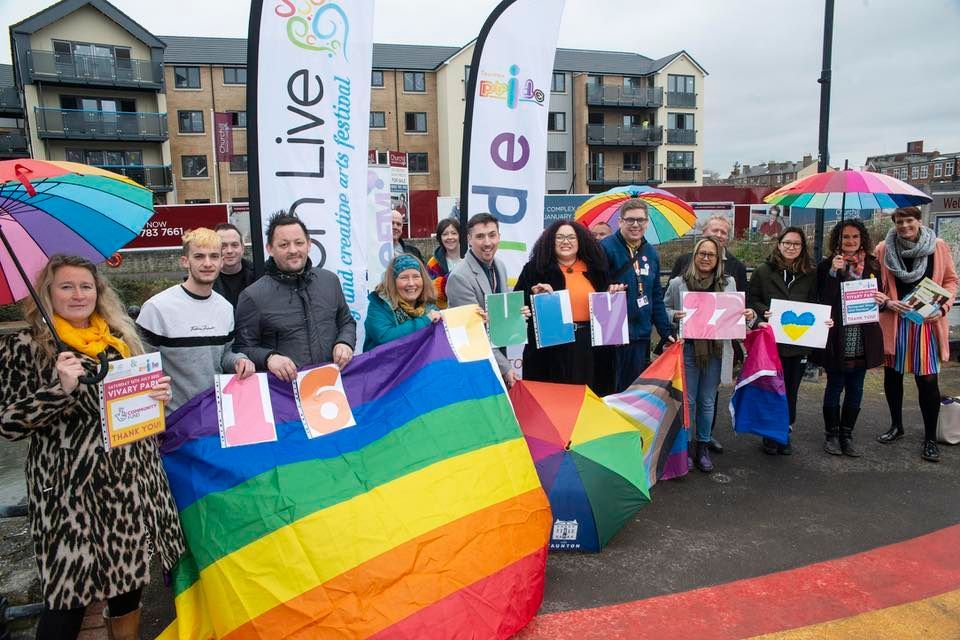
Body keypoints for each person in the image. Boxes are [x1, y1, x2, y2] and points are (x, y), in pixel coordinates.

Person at [0, 255, 184, 640]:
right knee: (68, 596)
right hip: (70, 495)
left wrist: (156, 395)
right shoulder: (26, 345)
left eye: (86, 286)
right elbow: (10, 423)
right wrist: (59, 389)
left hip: (128, 485)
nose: (78, 294)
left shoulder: (117, 339)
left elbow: (129, 405)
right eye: (66, 286)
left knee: (128, 588)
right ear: (48, 293)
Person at [137, 228, 255, 412]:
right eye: (199, 256)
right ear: (185, 261)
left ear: (221, 261)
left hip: (214, 416)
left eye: (214, 256)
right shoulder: (156, 308)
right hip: (172, 420)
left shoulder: (225, 308)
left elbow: (224, 355)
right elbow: (139, 366)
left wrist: (239, 360)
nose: (207, 263)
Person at [874, 206, 958, 462]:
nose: (904, 226)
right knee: (892, 376)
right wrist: (886, 301)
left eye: (909, 220)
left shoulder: (938, 246)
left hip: (926, 324)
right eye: (899, 221)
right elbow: (876, 286)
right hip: (895, 323)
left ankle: (930, 438)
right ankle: (896, 426)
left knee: (927, 381)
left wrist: (942, 308)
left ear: (919, 221)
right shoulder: (883, 249)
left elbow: (951, 281)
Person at [665, 237, 756, 471]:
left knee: (707, 402)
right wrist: (673, 315)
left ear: (718, 259)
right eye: (701, 254)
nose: (705, 258)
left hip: (716, 350)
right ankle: (685, 447)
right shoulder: (678, 283)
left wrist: (749, 316)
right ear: (694, 256)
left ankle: (702, 446)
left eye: (711, 255)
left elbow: (737, 316)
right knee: (689, 401)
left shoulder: (728, 283)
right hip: (688, 350)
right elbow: (663, 308)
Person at [234, 212, 357, 382]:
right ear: (270, 248)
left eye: (299, 243)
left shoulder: (330, 281)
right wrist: (269, 358)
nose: (293, 250)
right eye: (284, 245)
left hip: (333, 387)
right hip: (285, 393)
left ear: (309, 244)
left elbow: (346, 321)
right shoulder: (253, 296)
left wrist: (344, 342)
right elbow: (242, 348)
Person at [749, 226, 832, 455]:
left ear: (802, 247)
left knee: (791, 391)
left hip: (798, 344)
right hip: (770, 343)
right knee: (770, 389)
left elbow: (816, 302)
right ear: (779, 244)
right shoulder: (763, 271)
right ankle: (769, 434)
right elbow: (752, 298)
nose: (791, 247)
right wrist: (763, 311)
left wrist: (823, 321)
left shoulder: (810, 273)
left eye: (796, 244)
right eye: (787, 243)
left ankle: (784, 431)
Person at [514, 220, 621, 393]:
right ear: (550, 241)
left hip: (590, 349)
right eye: (560, 237)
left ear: (580, 241)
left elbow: (607, 308)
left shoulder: (596, 269)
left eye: (571, 237)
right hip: (550, 351)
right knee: (555, 400)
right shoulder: (535, 269)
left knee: (590, 398)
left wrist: (613, 293)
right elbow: (518, 306)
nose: (566, 241)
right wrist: (534, 297)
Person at [811, 219, 884, 457]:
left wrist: (881, 302)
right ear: (838, 240)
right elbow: (824, 301)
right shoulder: (826, 266)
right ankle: (831, 434)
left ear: (861, 239)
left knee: (856, 387)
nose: (850, 241)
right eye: (845, 237)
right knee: (834, 385)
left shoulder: (873, 265)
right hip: (837, 335)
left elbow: (878, 301)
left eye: (854, 237)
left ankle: (847, 434)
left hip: (863, 335)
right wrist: (834, 272)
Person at [601, 199, 675, 393]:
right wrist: (607, 289)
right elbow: (594, 288)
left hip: (640, 334)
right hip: (612, 334)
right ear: (620, 222)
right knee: (611, 390)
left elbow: (655, 295)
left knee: (634, 392)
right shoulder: (605, 248)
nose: (636, 225)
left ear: (647, 222)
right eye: (630, 220)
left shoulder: (651, 252)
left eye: (641, 220)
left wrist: (665, 331)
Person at [446, 213, 519, 387]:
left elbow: (500, 316)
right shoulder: (459, 277)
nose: (487, 242)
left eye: (492, 235)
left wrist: (518, 314)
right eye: (480, 236)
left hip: (497, 357)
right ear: (469, 239)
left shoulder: (499, 265)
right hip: (475, 365)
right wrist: (506, 367)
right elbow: (474, 332)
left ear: (499, 237)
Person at [365, 254, 441, 350]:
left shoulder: (430, 307)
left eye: (416, 277)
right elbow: (384, 338)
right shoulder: (379, 304)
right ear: (393, 282)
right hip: (385, 364)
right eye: (404, 277)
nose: (411, 283)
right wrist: (425, 320)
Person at [670, 215, 748, 293]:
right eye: (715, 230)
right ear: (703, 232)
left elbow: (742, 301)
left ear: (727, 237)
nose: (718, 235)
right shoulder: (683, 261)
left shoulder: (738, 267)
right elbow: (670, 295)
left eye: (723, 232)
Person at [212, 222, 256, 307]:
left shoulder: (259, 274)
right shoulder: (205, 279)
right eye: (223, 246)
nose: (229, 251)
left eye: (234, 245)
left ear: (242, 248)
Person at [426, 218, 462, 308]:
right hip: (444, 313)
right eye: (445, 234)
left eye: (454, 233)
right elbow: (430, 292)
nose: (450, 237)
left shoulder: (471, 257)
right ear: (440, 238)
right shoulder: (433, 263)